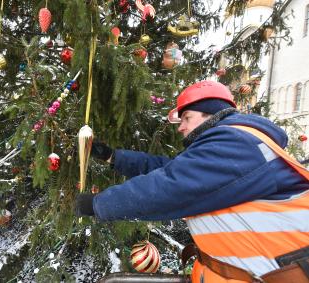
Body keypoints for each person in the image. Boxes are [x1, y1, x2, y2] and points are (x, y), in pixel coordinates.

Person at [75, 80, 309, 282]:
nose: (181, 127)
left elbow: (170, 187)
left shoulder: (235, 144)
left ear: (212, 114)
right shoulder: (235, 144)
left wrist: (97, 204)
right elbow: (170, 169)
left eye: (187, 117)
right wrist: (113, 157)